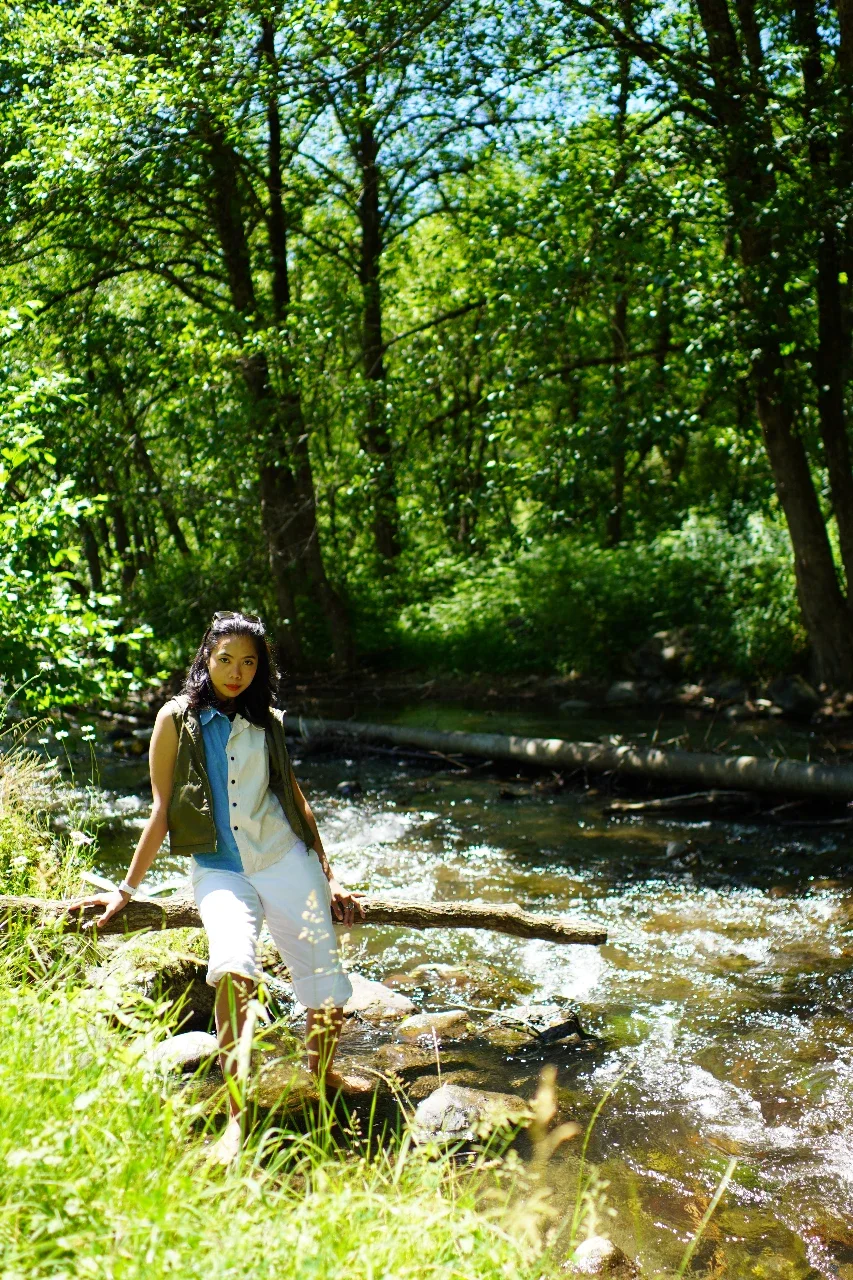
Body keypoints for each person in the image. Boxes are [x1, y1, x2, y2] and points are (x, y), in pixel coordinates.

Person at [75, 610, 365, 1162]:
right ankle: (237, 1116)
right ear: (206, 658)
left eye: (248, 662)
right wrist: (126, 891)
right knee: (234, 967)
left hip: (285, 858)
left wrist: (332, 876)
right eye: (225, 659)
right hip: (219, 868)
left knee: (324, 982)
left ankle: (322, 1072)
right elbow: (160, 810)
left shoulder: (269, 721)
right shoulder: (174, 719)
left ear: (261, 669)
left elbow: (293, 797)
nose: (235, 672)